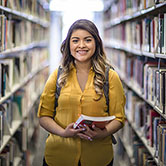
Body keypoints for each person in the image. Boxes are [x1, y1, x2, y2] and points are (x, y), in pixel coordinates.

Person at [38, 19, 126, 166]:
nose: (81, 45)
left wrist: (103, 133)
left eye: (87, 40)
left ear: (96, 43)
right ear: (68, 45)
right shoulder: (57, 75)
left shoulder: (110, 77)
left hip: (98, 157)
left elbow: (119, 118)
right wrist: (62, 132)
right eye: (75, 40)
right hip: (59, 156)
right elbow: (43, 116)